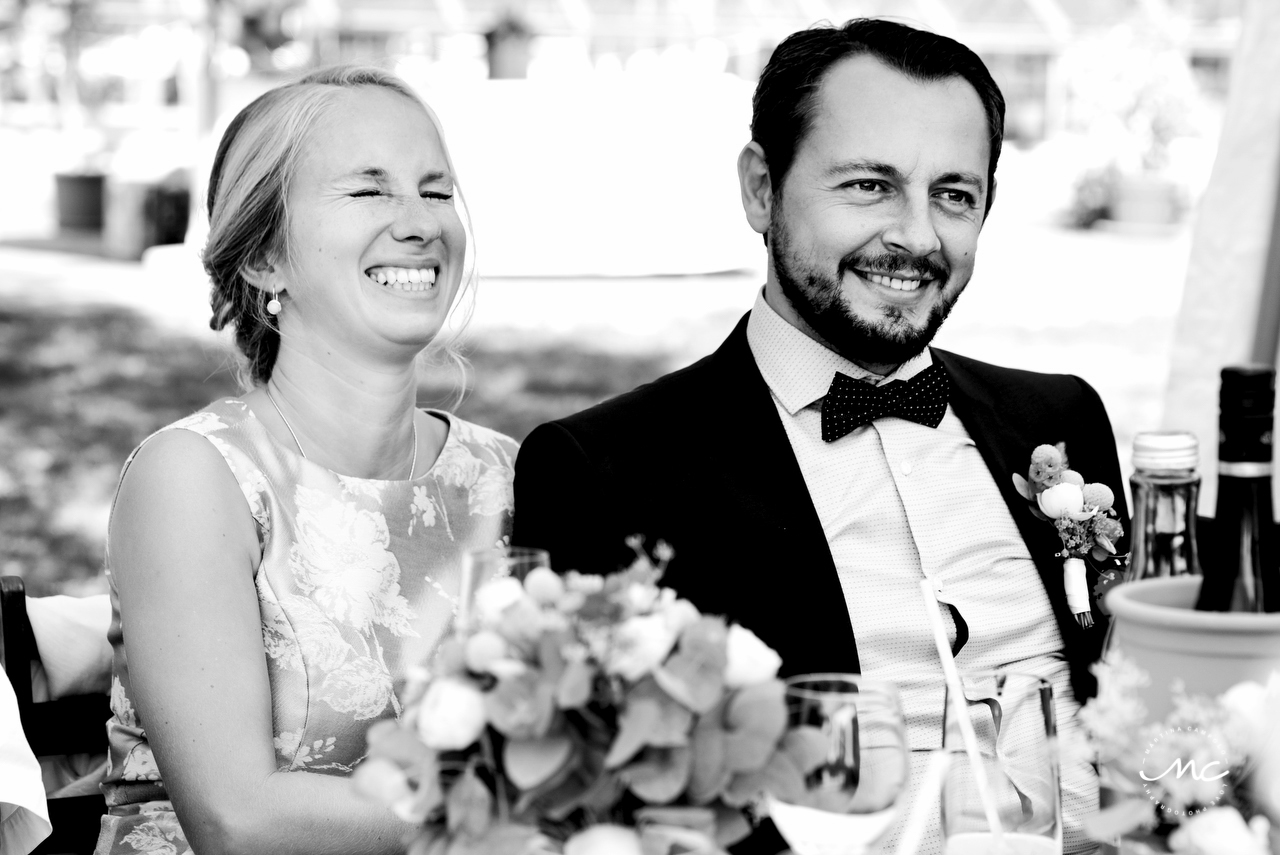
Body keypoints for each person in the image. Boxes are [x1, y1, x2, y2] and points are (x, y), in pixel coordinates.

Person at [513, 18, 1126, 855]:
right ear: (762, 189)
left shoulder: (1061, 419)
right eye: (870, 185)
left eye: (954, 194)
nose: (916, 236)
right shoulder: (607, 471)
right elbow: (597, 805)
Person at [96, 66, 517, 855]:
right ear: (262, 260)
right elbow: (237, 820)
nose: (420, 222)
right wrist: (521, 813)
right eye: (369, 191)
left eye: (436, 190)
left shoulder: (508, 476)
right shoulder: (195, 479)